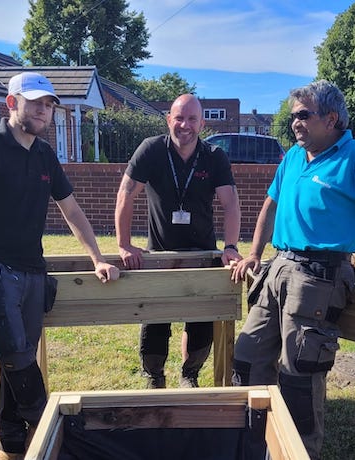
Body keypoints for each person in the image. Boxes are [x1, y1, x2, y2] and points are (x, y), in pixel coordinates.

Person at [0, 71, 120, 460]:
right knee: (18, 358)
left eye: (49, 105)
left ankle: (13, 445)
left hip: (34, 272)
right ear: (11, 103)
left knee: (18, 362)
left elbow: (71, 210)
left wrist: (97, 257)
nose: (43, 111)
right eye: (35, 102)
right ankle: (55, 434)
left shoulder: (44, 154)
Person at [230, 80, 355, 459]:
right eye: (293, 115)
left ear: (331, 119)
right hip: (277, 268)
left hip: (319, 277)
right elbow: (270, 205)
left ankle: (298, 453)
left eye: (302, 115)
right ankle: (252, 444)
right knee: (247, 356)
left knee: (300, 374)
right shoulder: (293, 156)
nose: (294, 122)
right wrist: (254, 253)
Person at [115, 93, 242, 389]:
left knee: (201, 321)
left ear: (202, 123)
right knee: (156, 318)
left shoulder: (214, 157)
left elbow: (231, 204)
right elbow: (126, 194)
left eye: (192, 119)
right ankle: (154, 377)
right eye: (179, 118)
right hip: (159, 253)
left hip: (203, 253)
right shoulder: (151, 150)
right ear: (169, 119)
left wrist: (231, 247)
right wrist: (124, 244)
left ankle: (190, 375)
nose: (185, 125)